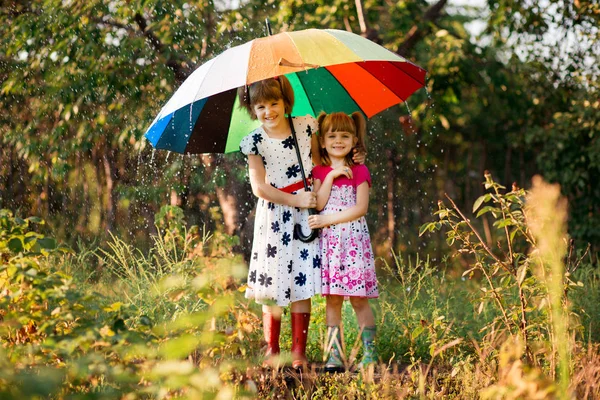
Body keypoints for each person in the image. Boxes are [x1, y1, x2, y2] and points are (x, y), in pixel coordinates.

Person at [237, 76, 321, 370]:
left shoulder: (306, 125)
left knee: (301, 280)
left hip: (305, 215)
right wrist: (294, 200)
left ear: (286, 102)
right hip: (275, 215)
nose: (268, 111)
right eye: (260, 106)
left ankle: (299, 351)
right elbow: (259, 187)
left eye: (274, 103)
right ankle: (272, 349)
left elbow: (321, 160)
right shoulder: (254, 142)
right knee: (272, 282)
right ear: (252, 109)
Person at [307, 111, 379, 372]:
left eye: (345, 135)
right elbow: (320, 202)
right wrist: (330, 176)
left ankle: (370, 355)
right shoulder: (319, 170)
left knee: (359, 300)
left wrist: (326, 221)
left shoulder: (360, 169)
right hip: (330, 245)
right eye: (332, 135)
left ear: (354, 140)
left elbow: (361, 208)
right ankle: (334, 356)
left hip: (353, 243)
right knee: (333, 300)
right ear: (323, 141)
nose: (338, 140)